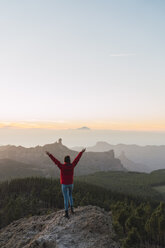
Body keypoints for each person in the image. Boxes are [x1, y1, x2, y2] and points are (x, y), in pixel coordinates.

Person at [46, 148, 86, 218]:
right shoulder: (72, 166)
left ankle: (66, 213)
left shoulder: (62, 166)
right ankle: (72, 210)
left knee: (65, 197)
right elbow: (77, 159)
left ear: (64, 161)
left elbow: (55, 161)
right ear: (69, 160)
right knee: (70, 195)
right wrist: (81, 152)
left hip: (64, 184)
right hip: (71, 184)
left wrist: (49, 155)